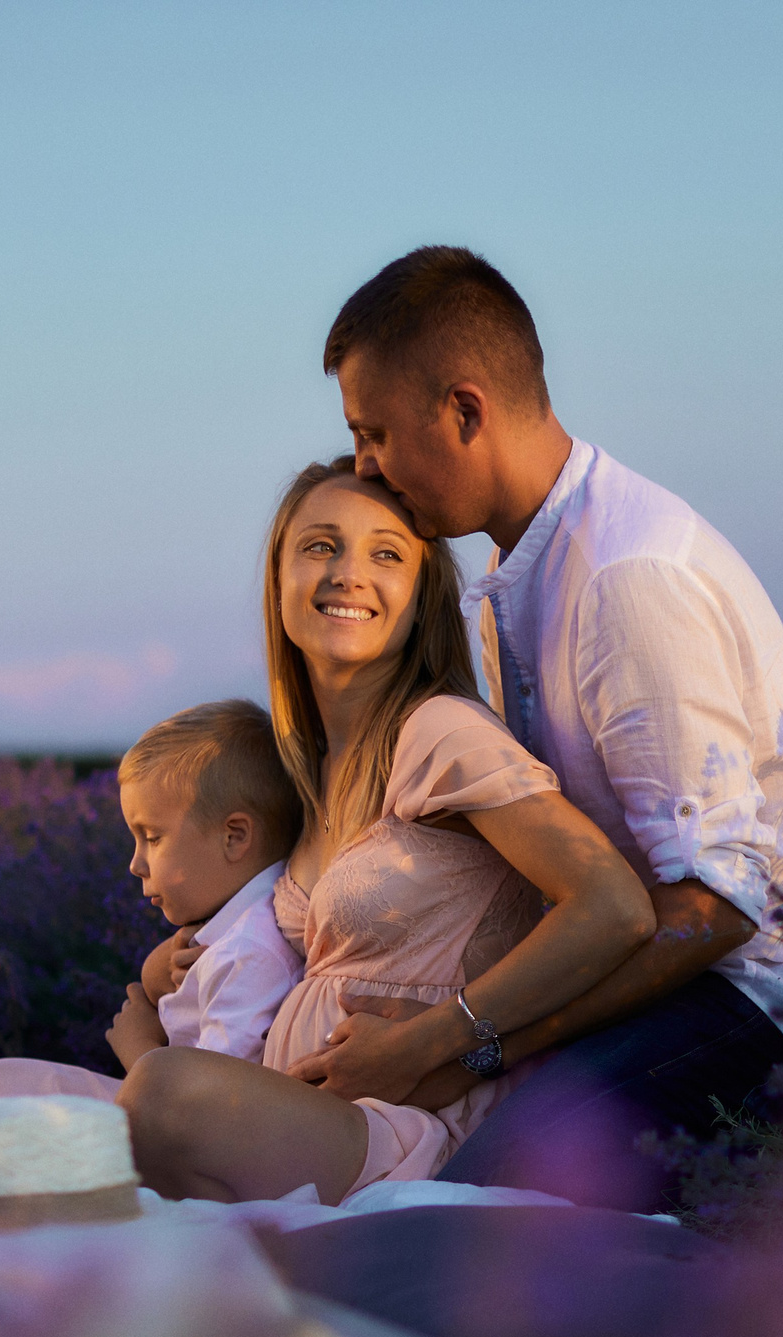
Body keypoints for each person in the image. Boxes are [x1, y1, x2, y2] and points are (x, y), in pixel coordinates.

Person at [297, 245, 783, 1210]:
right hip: (677, 981)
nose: (366, 464)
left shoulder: (626, 576)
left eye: (374, 433)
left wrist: (455, 1043)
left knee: (488, 1206)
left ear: (464, 411)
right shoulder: (520, 573)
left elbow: (718, 904)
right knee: (439, 1184)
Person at [117, 459, 656, 1204]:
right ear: (278, 578)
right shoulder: (302, 769)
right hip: (289, 1108)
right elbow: (250, 933)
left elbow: (613, 906)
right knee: (1, 1086)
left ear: (421, 596)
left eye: (387, 554)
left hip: (403, 1126)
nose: (348, 573)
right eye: (320, 546)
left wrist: (435, 1038)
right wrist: (167, 965)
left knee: (161, 1093)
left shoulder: (439, 732)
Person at [0, 698, 303, 1101]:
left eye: (152, 837)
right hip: (168, 1110)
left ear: (234, 837)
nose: (135, 864)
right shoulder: (229, 933)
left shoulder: (247, 955)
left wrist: (140, 1050)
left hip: (175, 1121)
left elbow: (210, 1110)